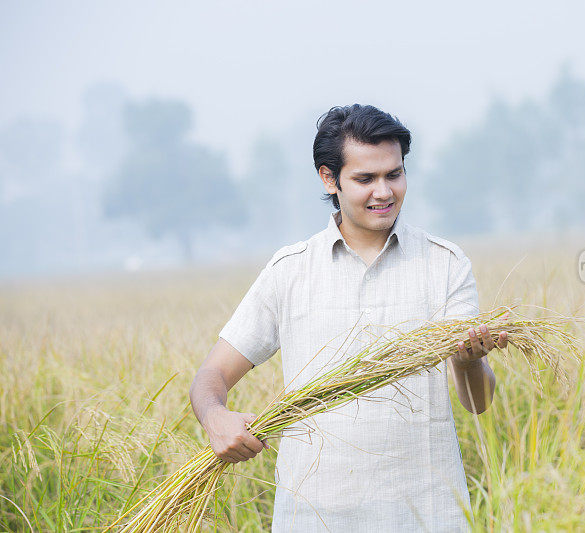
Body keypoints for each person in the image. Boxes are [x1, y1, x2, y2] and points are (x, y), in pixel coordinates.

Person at [189, 104, 508, 532]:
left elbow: (478, 402)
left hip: (427, 516)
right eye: (365, 179)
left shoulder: (444, 264)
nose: (384, 192)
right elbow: (211, 375)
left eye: (394, 174)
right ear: (328, 178)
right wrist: (215, 417)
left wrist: (469, 359)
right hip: (315, 519)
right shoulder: (290, 271)